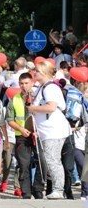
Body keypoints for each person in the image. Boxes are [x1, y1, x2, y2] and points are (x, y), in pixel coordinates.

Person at [30, 60, 71, 199]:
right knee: (51, 159)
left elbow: (51, 107)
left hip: (54, 130)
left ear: (44, 73)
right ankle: (56, 188)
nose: (35, 73)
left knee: (53, 160)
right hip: (47, 130)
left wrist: (33, 108)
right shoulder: (43, 87)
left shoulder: (50, 88)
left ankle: (58, 189)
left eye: (37, 71)